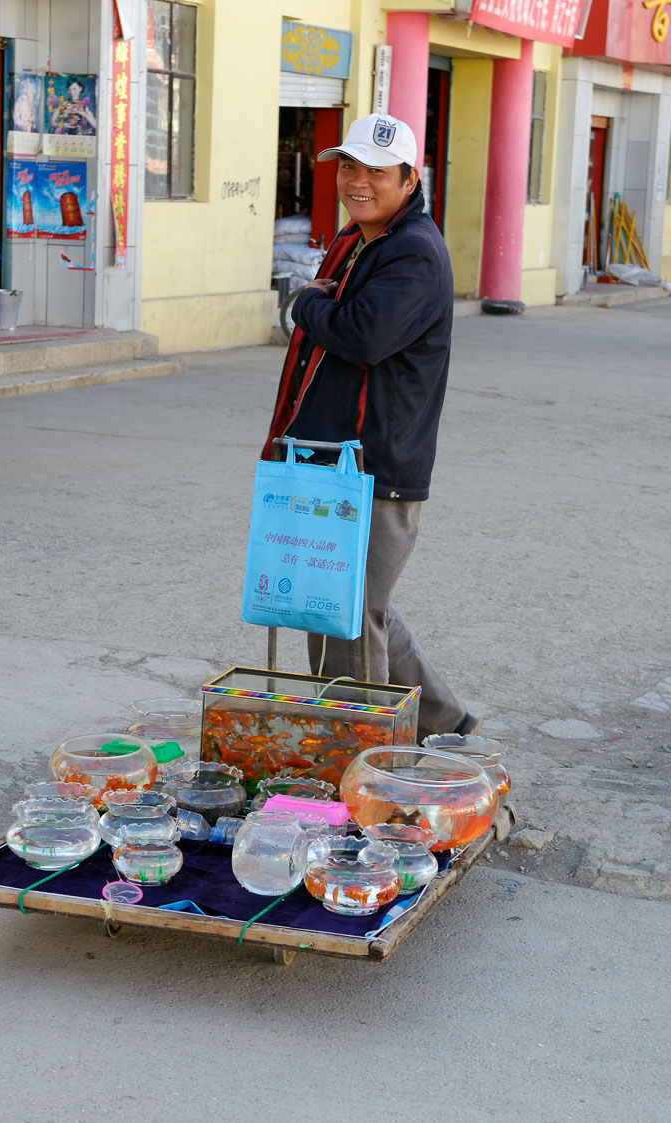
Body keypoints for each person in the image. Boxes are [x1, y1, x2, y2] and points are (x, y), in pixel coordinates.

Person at [263, 112, 479, 740]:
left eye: (376, 172)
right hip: (335, 456)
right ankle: (444, 719)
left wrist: (306, 301)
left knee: (345, 616)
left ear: (410, 180)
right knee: (353, 603)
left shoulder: (412, 252)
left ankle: (359, 758)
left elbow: (362, 336)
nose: (358, 182)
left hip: (374, 464)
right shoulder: (366, 238)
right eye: (350, 168)